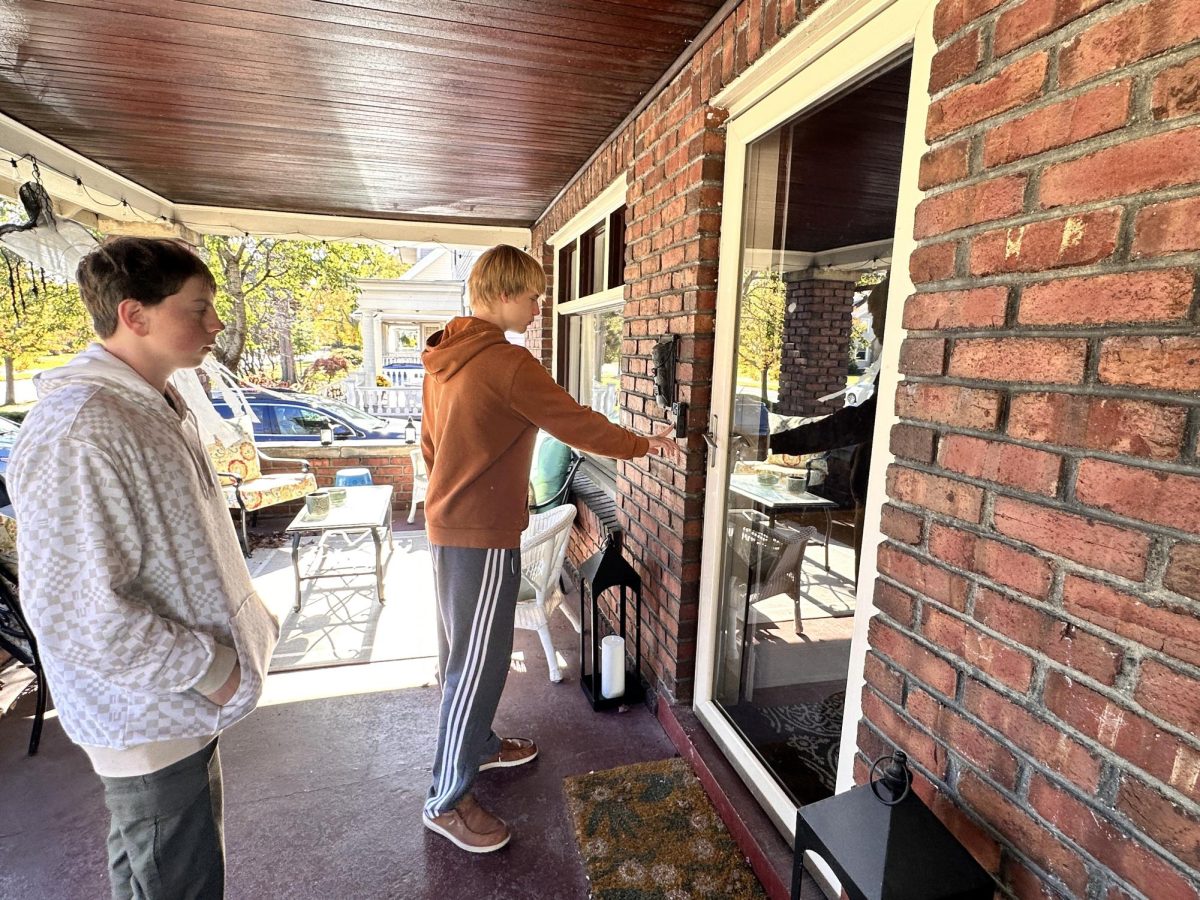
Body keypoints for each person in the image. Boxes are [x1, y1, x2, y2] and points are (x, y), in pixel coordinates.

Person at [8, 237, 279, 899]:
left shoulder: (147, 404)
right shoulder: (82, 431)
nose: (216, 324)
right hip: (148, 708)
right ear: (136, 315)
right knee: (175, 878)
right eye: (199, 308)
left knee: (156, 868)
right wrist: (212, 669)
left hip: (172, 704)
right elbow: (74, 612)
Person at [420, 244, 680, 853]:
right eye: (534, 295)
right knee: (474, 665)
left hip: (447, 526)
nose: (539, 306)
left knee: (463, 653)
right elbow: (577, 422)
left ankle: (479, 747)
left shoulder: (444, 357)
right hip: (478, 533)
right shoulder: (508, 363)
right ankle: (445, 799)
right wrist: (647, 445)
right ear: (505, 293)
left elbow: (431, 447)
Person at [769, 276, 889, 573]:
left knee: (870, 582)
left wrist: (774, 443)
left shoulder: (902, 367)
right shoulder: (893, 362)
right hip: (869, 493)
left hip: (882, 499)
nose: (872, 327)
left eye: (875, 315)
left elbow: (855, 423)